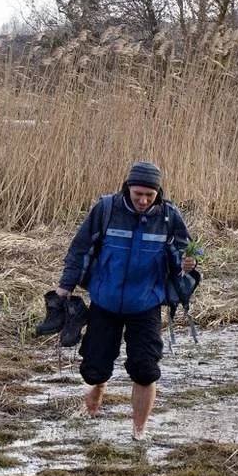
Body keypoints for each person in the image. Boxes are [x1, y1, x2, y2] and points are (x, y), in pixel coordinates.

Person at [56, 161, 197, 441]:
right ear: (127, 189)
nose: (143, 200)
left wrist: (187, 263)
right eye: (138, 194)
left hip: (146, 304)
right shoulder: (106, 210)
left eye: (149, 195)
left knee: (145, 371)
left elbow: (182, 254)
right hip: (105, 302)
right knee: (93, 370)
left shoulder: (169, 217)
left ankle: (139, 433)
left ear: (158, 192)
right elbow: (80, 249)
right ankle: (99, 385)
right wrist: (65, 286)